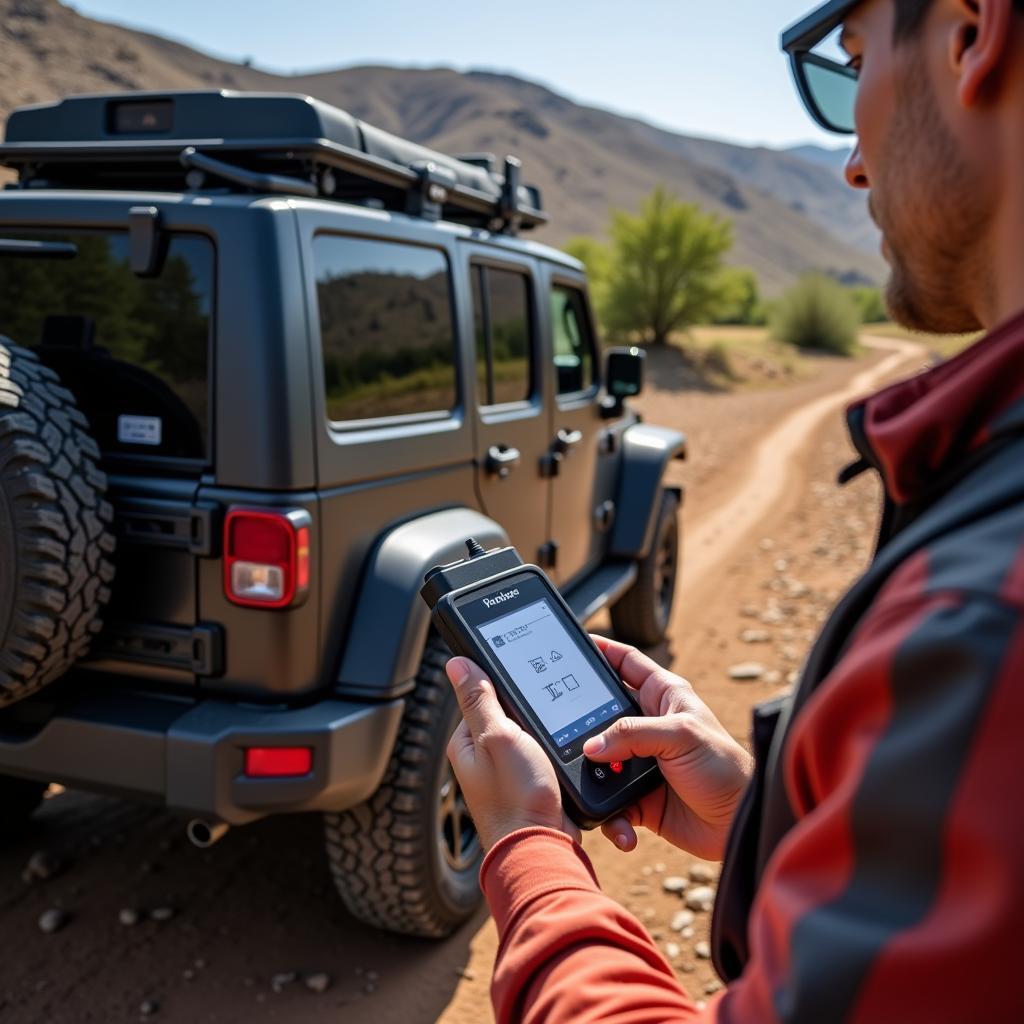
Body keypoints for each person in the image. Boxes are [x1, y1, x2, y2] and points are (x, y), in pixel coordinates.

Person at [443, 0, 1024, 1020]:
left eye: (851, 68)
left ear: (972, 32)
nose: (851, 163)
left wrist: (530, 851)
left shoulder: (992, 614)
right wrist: (763, 814)